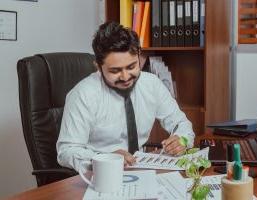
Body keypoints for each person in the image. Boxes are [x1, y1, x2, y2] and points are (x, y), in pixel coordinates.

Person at [56, 22, 195, 172]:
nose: (125, 76)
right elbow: (66, 151)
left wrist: (182, 140)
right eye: (115, 70)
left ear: (139, 58)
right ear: (98, 66)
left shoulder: (152, 84)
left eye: (131, 67)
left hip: (140, 169)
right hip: (98, 174)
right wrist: (106, 158)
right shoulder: (83, 95)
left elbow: (181, 124)